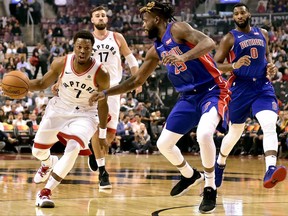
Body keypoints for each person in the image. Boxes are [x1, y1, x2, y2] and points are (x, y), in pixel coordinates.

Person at [88, 1, 231, 214]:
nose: (143, 26)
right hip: (188, 97)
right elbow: (136, 81)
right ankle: (189, 175)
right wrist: (106, 92)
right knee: (164, 143)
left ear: (156, 19)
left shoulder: (178, 28)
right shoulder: (156, 50)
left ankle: (210, 187)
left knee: (203, 134)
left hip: (212, 90)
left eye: (145, 21)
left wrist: (182, 56)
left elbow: (209, 43)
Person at [28, 30, 110, 208]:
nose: (82, 51)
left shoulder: (101, 72)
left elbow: (104, 104)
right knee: (37, 151)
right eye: (79, 47)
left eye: (86, 48)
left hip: (86, 114)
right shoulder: (61, 62)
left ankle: (45, 192)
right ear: (73, 47)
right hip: (59, 109)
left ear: (92, 49)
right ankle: (48, 162)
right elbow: (42, 83)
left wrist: (102, 134)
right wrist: (21, 86)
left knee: (73, 147)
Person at [213, 3, 287, 189]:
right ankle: (220, 162)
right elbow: (215, 65)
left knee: (270, 125)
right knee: (235, 133)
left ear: (249, 13)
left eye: (242, 12)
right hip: (240, 88)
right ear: (233, 18)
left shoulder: (262, 33)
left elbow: (267, 55)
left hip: (262, 86)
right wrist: (234, 66)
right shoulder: (229, 38)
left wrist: (270, 65)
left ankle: (270, 169)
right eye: (236, 13)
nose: (239, 15)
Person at [88, 6, 139, 189]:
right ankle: (103, 172)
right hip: (93, 90)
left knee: (108, 137)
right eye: (97, 16)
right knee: (96, 130)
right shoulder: (87, 39)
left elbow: (131, 59)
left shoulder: (117, 37)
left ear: (106, 19)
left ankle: (95, 153)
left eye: (103, 15)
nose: (101, 17)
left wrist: (137, 79)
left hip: (115, 90)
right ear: (92, 20)